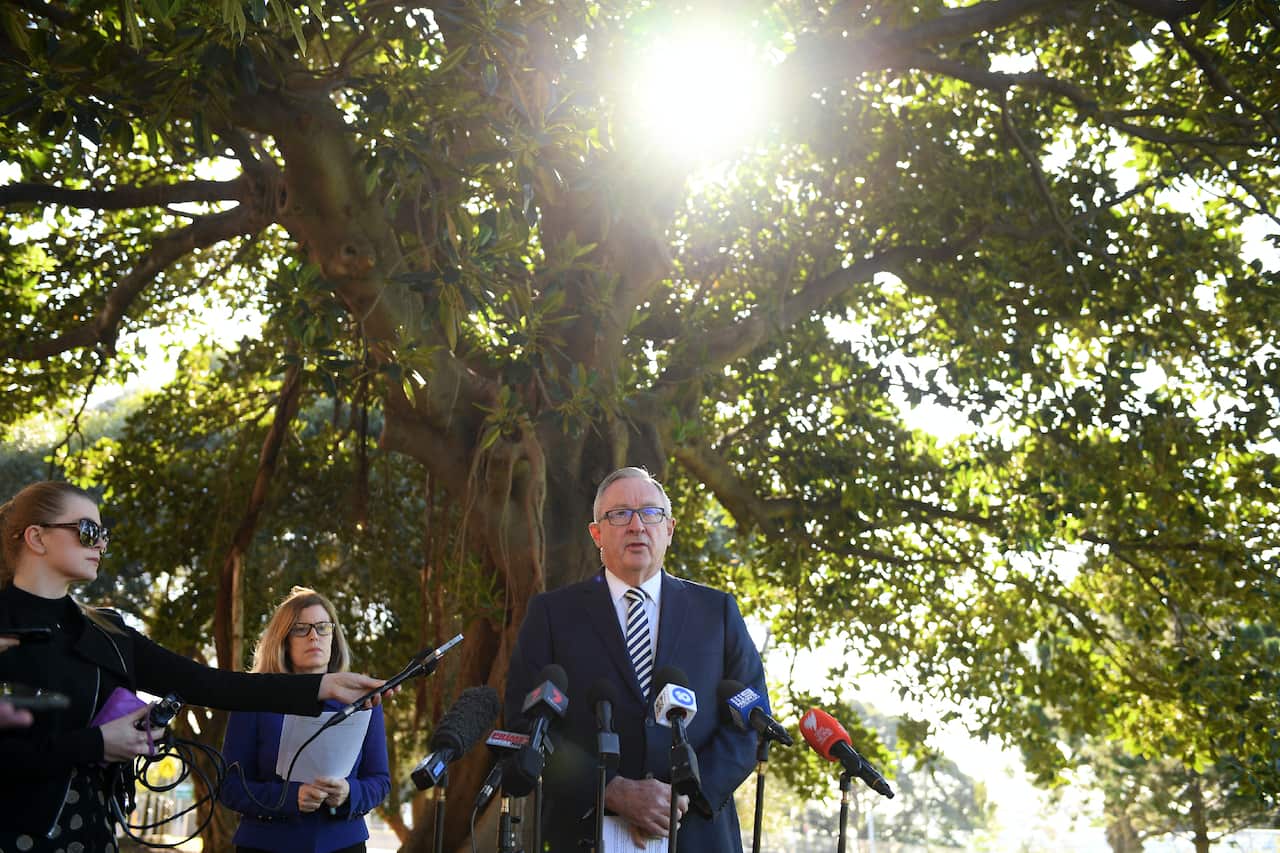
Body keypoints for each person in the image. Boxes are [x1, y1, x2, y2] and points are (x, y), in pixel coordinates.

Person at [0, 481, 388, 853]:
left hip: (93, 831)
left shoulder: (110, 632)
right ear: (37, 538)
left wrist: (323, 687)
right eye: (87, 530)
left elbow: (210, 685)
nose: (101, 542)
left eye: (104, 532)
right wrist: (96, 744)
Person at [504, 466, 770, 853]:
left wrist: (686, 795)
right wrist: (610, 789)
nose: (636, 525)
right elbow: (524, 722)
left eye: (650, 513)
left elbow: (751, 720)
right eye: (619, 514)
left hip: (697, 833)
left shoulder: (718, 612)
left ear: (670, 528)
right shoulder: (551, 615)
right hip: (583, 832)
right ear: (596, 532)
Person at [220, 587, 390, 853]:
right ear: (284, 639)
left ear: (334, 636)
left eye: (323, 627)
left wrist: (349, 793)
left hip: (343, 844)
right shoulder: (254, 700)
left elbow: (380, 780)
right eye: (301, 629)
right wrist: (288, 798)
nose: (314, 636)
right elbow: (230, 788)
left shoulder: (364, 701)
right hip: (266, 845)